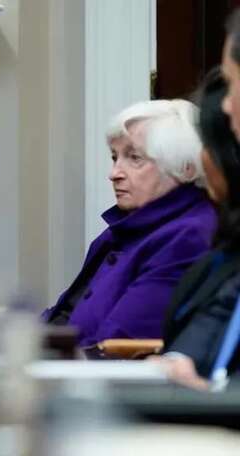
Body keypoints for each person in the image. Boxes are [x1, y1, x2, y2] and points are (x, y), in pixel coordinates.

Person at [43, 99, 217, 347]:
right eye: (115, 157)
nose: (114, 173)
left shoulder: (189, 237)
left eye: (135, 158)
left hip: (101, 369)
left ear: (186, 168)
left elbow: (119, 344)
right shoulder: (121, 230)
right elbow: (64, 317)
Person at [158, 68, 240, 391]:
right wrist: (174, 363)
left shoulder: (190, 233)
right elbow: (197, 344)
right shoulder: (223, 256)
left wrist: (204, 393)